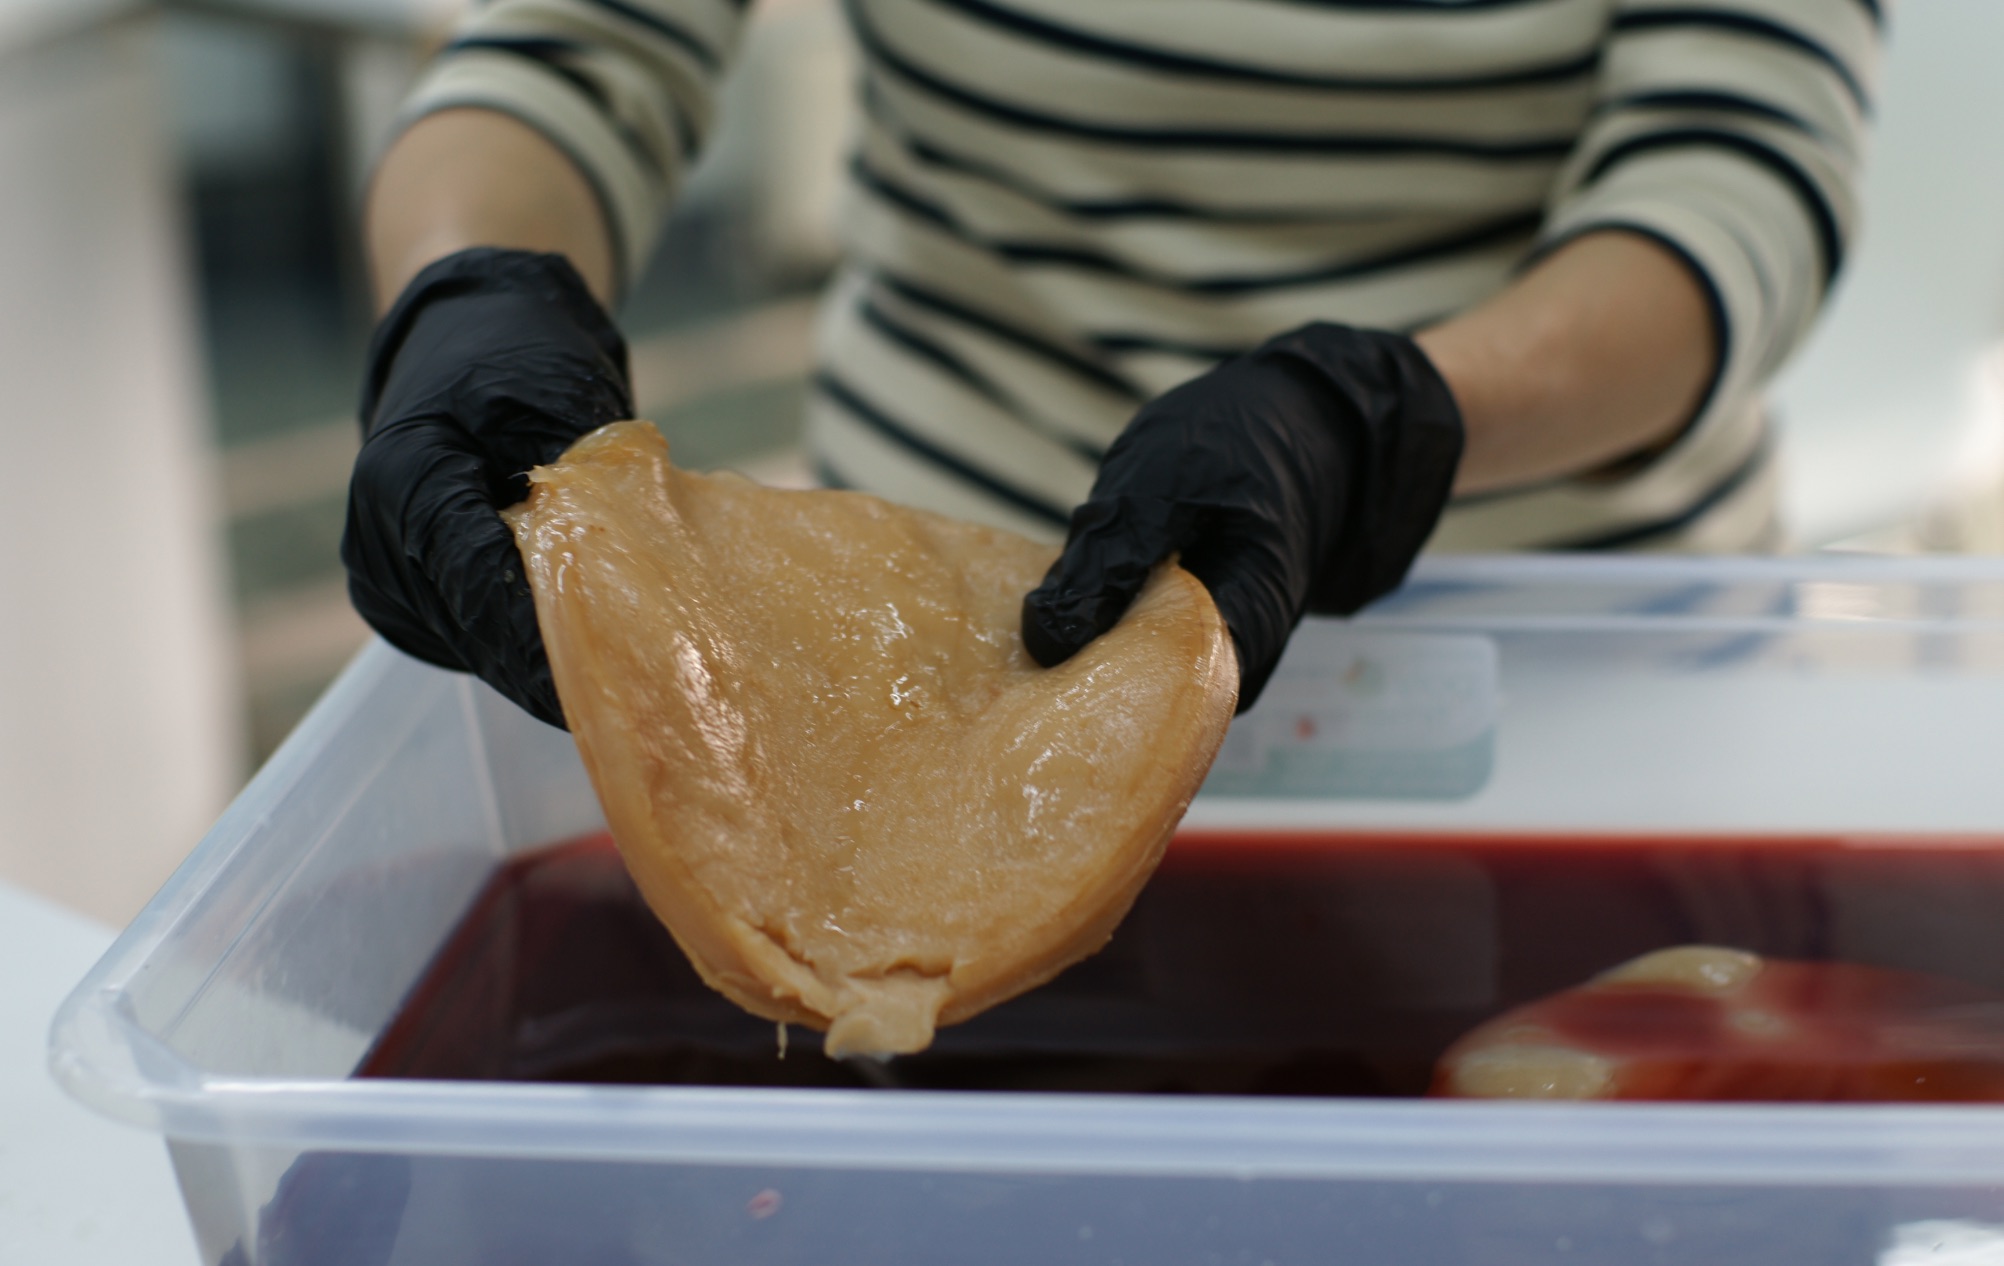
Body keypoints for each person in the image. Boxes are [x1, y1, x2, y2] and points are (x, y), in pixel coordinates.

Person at [343, 0, 1878, 726]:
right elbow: (571, 50)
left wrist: (1373, 423)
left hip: (1565, 677)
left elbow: (1731, 185)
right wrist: (472, 298)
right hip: (947, 660)